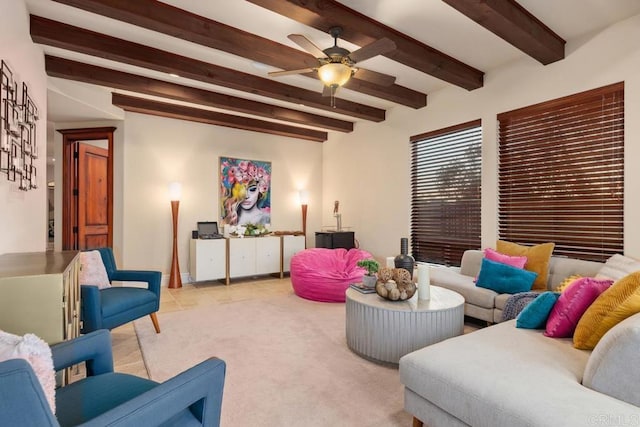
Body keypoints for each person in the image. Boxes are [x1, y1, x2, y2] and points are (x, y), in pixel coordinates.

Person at [221, 159, 271, 226]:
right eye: (240, 190)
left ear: (260, 190)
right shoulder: (228, 221)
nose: (246, 196)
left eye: (252, 189)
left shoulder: (266, 218)